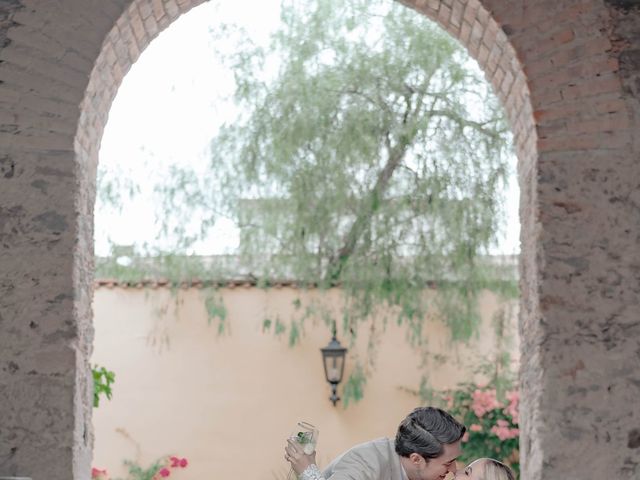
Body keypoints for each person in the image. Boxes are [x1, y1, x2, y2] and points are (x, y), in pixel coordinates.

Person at [284, 406, 466, 480]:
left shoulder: (420, 474)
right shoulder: (366, 462)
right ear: (416, 459)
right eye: (447, 462)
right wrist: (308, 472)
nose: (454, 469)